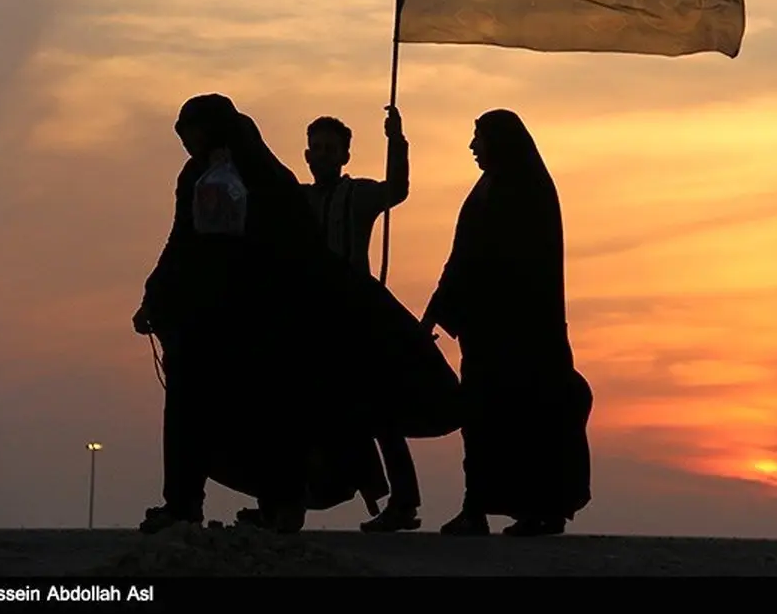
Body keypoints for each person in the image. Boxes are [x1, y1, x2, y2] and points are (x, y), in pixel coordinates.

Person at [132, 94, 388, 535]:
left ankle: (281, 504)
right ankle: (182, 503)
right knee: (190, 408)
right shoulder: (195, 176)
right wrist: (154, 296)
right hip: (206, 320)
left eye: (193, 134)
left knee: (271, 417)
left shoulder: (266, 179)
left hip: (266, 322)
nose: (187, 144)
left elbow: (298, 249)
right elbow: (182, 241)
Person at [422, 109, 593, 537]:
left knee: (530, 420)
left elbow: (504, 260)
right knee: (484, 421)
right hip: (488, 334)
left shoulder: (525, 190)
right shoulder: (490, 188)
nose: (472, 146)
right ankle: (479, 507)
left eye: (478, 136)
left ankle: (537, 509)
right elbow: (463, 255)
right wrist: (439, 308)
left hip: (521, 337)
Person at [300, 106, 423, 533]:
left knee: (379, 410)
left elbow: (397, 190)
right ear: (307, 155)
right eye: (316, 148)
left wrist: (396, 140)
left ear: (344, 156)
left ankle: (402, 501)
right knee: (313, 410)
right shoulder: (299, 200)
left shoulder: (359, 195)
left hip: (356, 318)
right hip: (314, 321)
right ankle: (299, 496)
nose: (322, 156)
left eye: (330, 149)